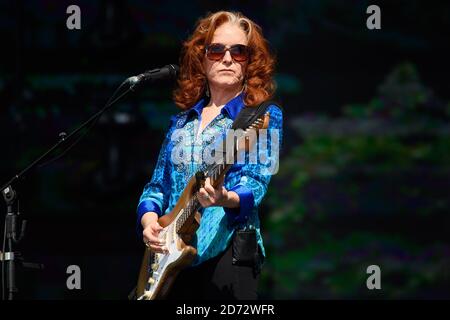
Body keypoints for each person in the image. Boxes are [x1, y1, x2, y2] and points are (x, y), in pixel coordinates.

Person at [136, 10, 283, 300]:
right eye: (216, 50)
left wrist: (223, 198)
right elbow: (155, 187)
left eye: (239, 52)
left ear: (250, 61)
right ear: (202, 59)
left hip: (229, 256)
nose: (227, 59)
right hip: (172, 260)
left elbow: (256, 183)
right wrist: (150, 222)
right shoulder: (180, 123)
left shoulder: (264, 115)